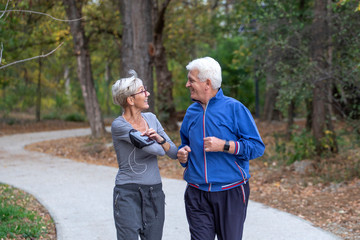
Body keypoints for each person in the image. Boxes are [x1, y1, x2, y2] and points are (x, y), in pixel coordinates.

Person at [177, 57, 265, 240]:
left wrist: (224, 146)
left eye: (191, 80)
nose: (187, 84)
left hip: (230, 191)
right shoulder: (191, 112)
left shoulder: (234, 108)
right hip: (196, 191)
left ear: (207, 83)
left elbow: (257, 147)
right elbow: (184, 142)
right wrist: (182, 153)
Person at [111, 70, 177, 240]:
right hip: (127, 194)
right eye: (142, 91)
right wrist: (161, 142)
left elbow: (174, 152)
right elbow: (157, 150)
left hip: (154, 193)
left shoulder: (152, 118)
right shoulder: (119, 125)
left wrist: (160, 139)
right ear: (130, 100)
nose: (148, 94)